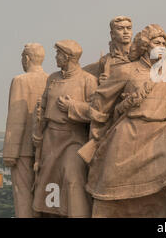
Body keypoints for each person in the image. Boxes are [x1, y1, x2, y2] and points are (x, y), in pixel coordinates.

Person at [84, 24, 166, 218]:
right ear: (145, 45)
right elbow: (100, 104)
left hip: (160, 135)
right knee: (108, 193)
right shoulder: (125, 71)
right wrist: (97, 131)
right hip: (129, 136)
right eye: (156, 42)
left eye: (163, 43)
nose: (161, 46)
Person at [32, 40, 97, 218]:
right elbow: (43, 107)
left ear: (68, 57)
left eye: (58, 54)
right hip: (51, 139)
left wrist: (72, 106)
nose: (55, 57)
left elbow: (96, 111)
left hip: (73, 138)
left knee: (72, 175)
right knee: (49, 181)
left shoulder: (88, 80)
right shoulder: (52, 78)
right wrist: (38, 131)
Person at [3, 43, 48, 217]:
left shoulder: (20, 80)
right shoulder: (51, 79)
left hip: (22, 149)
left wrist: (9, 152)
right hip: (45, 148)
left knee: (22, 193)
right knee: (41, 193)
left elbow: (16, 117)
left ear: (26, 58)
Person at [83, 16, 133, 84]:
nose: (126, 32)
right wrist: (101, 82)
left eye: (129, 28)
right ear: (112, 34)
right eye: (120, 29)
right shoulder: (105, 61)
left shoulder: (140, 56)